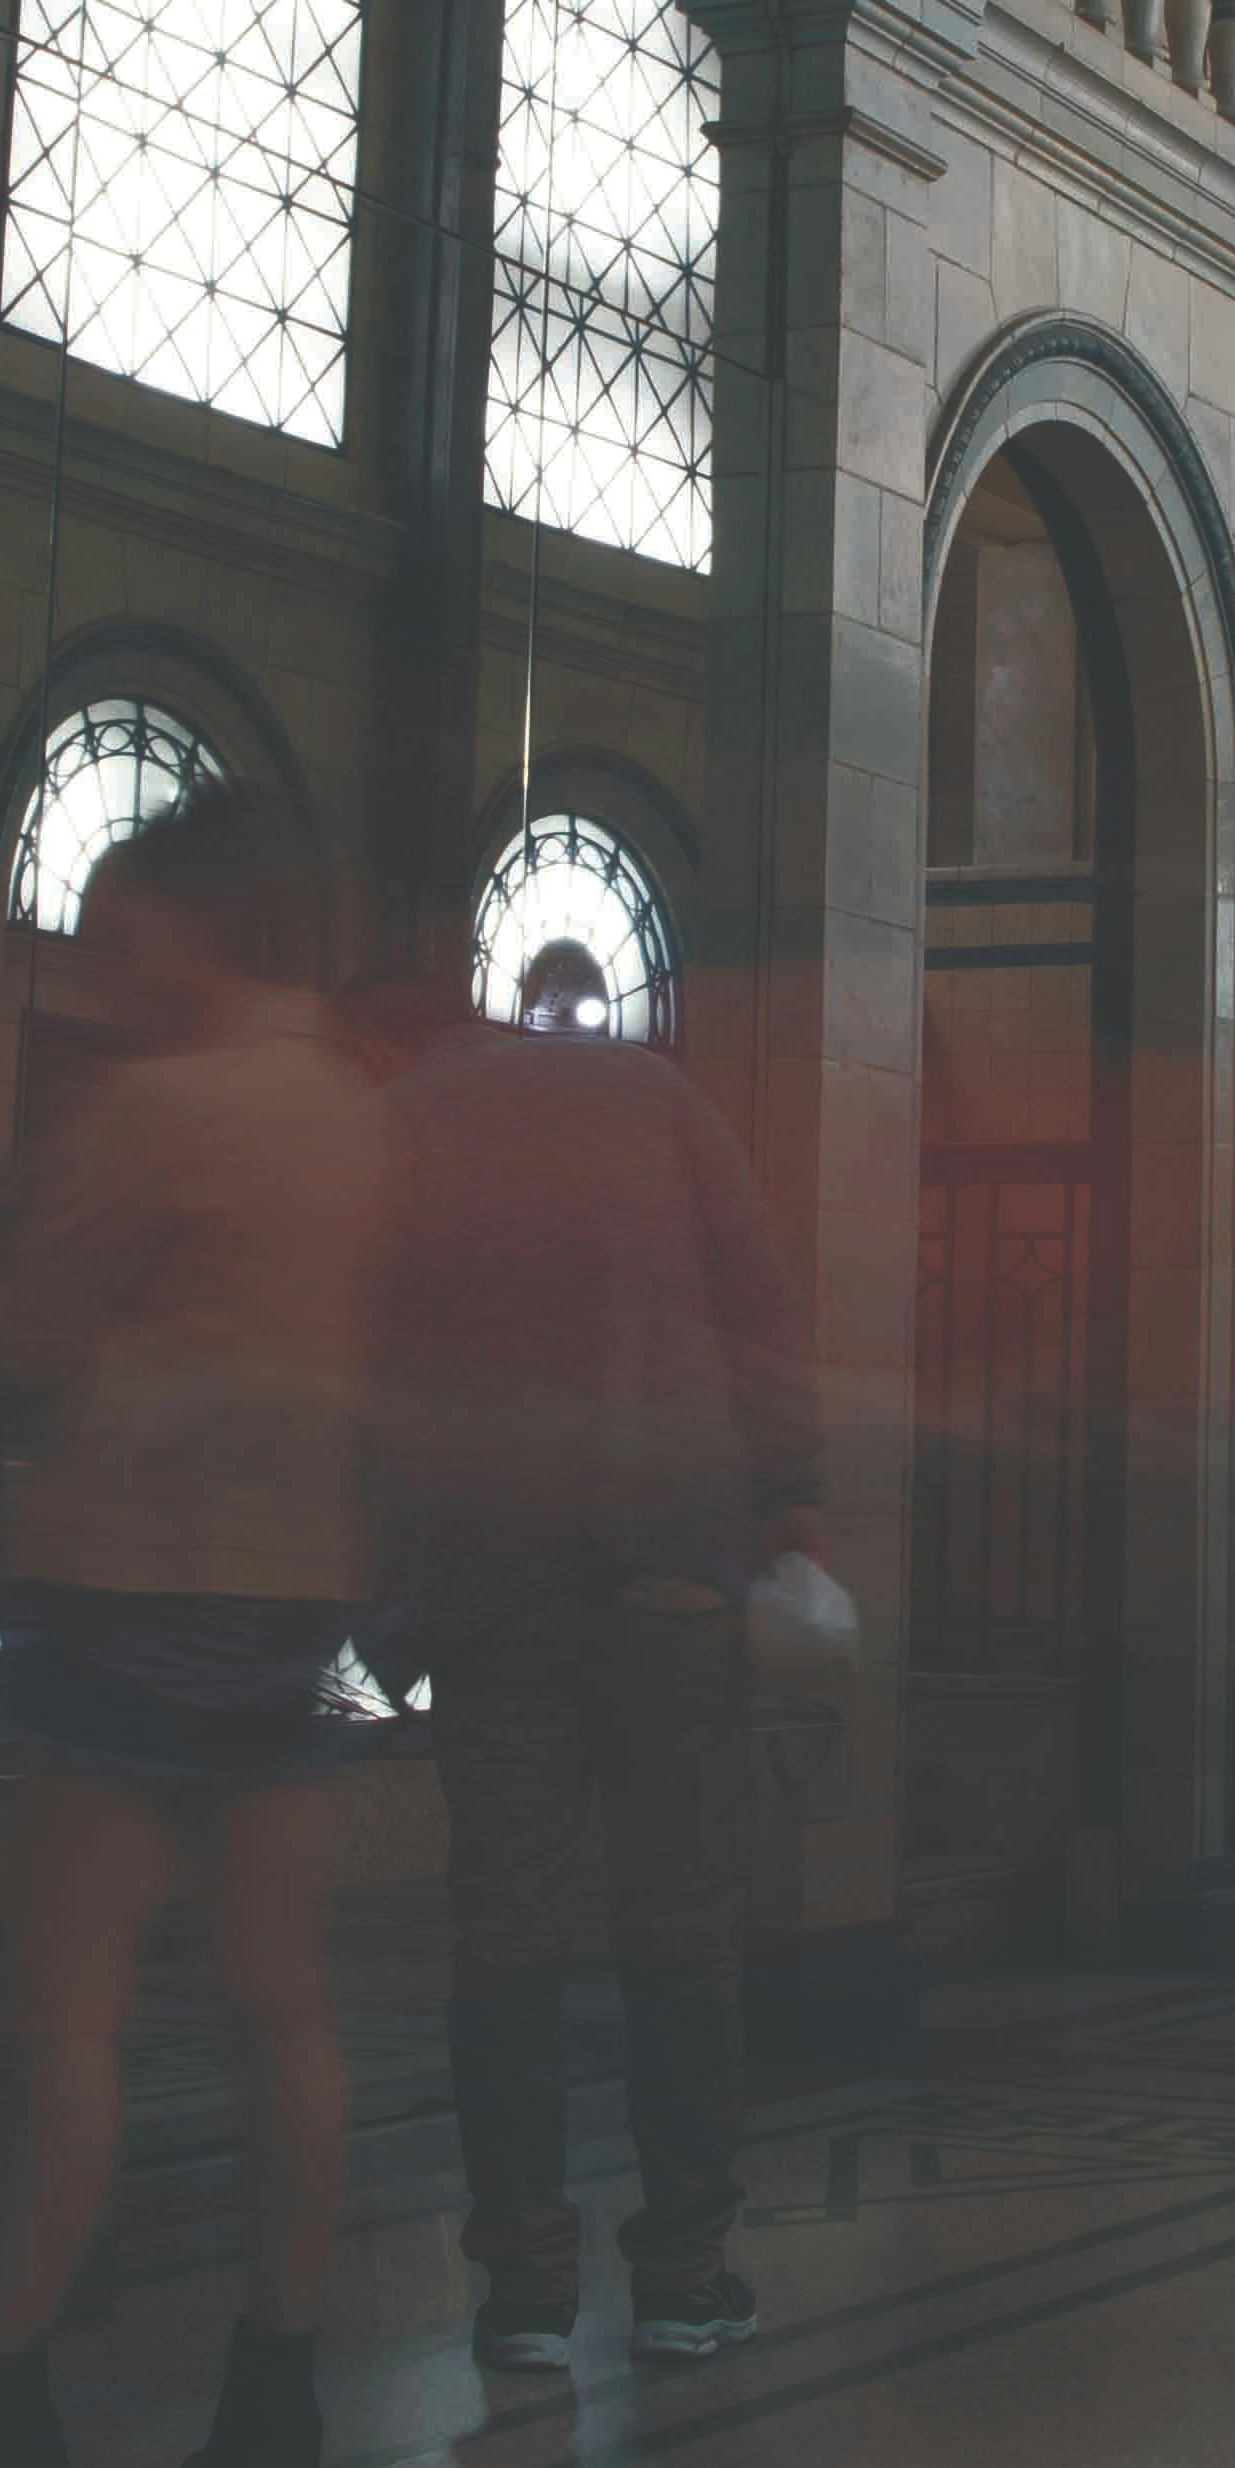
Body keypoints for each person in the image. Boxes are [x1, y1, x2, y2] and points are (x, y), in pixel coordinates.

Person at [0, 785, 390, 2468]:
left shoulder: (151, 1106)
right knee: (281, 2004)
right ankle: (275, 2377)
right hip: (293, 1593)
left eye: (117, 933)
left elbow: (27, 1331)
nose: (99, 968)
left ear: (193, 923)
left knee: (68, 2010)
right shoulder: (351, 1103)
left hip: (124, 1585)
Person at [378, 935, 822, 2380]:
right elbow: (761, 1309)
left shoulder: (438, 1109)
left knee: (505, 1943)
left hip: (497, 1589)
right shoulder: (673, 1103)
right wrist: (781, 1511)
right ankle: (685, 2271)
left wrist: (388, 1587)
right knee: (683, 1934)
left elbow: (371, 1340)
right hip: (668, 1581)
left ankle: (520, 2286)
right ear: (607, 1008)